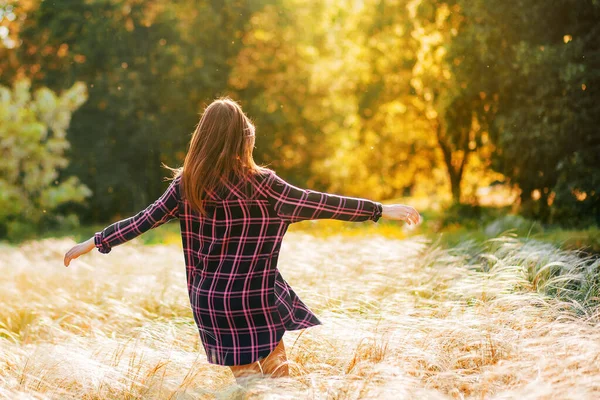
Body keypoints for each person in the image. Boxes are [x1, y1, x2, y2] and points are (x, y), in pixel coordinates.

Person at [63, 97, 421, 384]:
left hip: (213, 304)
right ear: (242, 138)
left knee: (249, 388)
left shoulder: (186, 185)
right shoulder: (264, 184)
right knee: (280, 386)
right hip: (254, 298)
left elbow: (142, 220)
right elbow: (320, 202)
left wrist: (94, 242)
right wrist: (379, 209)